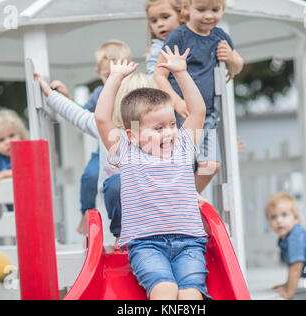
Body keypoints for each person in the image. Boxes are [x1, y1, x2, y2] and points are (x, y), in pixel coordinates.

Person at [94, 46, 210, 300]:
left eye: (171, 124)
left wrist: (181, 73)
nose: (168, 132)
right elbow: (102, 119)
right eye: (157, 128)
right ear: (132, 135)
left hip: (190, 242)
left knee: (191, 291)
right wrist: (114, 78)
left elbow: (198, 111)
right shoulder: (127, 153)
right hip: (147, 245)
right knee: (165, 288)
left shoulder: (182, 147)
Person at [34, 70, 158, 250]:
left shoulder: (158, 133)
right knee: (117, 182)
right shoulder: (107, 127)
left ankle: (155, 232)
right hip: (119, 193)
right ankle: (122, 232)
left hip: (149, 195)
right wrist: (50, 94)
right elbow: (75, 113)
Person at [154, 0, 244, 195]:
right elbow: (158, 75)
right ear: (187, 8)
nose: (208, 15)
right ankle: (175, 201)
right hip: (181, 116)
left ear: (223, 9)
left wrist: (231, 58)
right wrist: (176, 102)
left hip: (208, 114)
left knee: (211, 164)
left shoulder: (220, 37)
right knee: (182, 164)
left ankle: (186, 199)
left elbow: (237, 67)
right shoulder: (179, 36)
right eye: (201, 10)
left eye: (215, 10)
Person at [49, 40, 132, 235]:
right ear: (98, 73)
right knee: (89, 176)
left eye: (118, 73)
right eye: (107, 75)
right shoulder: (100, 93)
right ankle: (85, 214)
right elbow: (81, 115)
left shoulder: (132, 91)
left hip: (130, 150)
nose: (114, 79)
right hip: (104, 149)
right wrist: (67, 97)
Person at [145, 0, 184, 76]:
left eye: (165, 17)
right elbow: (153, 77)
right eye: (154, 21)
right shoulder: (157, 49)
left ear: (181, 16)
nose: (159, 24)